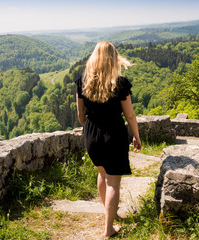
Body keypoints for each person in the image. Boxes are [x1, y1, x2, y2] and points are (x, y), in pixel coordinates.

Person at [75, 41, 142, 238]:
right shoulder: (120, 84)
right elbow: (129, 115)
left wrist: (90, 128)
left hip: (92, 132)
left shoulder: (83, 82)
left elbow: (81, 116)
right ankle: (108, 228)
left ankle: (108, 213)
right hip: (114, 133)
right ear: (114, 59)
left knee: (102, 174)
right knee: (113, 182)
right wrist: (136, 136)